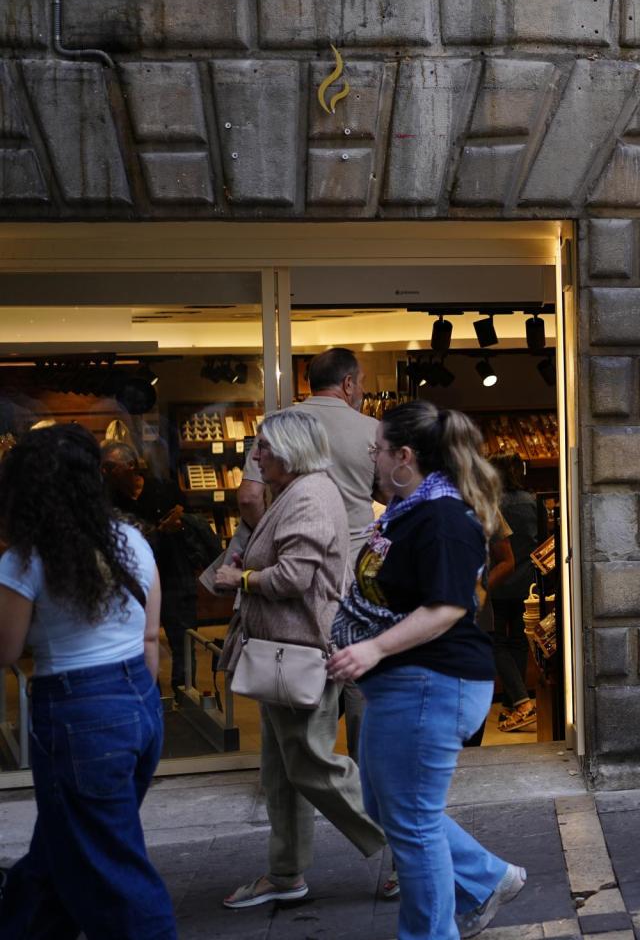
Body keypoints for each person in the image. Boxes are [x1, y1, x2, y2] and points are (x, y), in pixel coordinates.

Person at [324, 401, 527, 938]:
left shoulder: (442, 519)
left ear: (404, 456)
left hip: (432, 682)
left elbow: (449, 606)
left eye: (378, 449)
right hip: (407, 682)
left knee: (412, 824)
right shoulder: (410, 508)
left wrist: (372, 649)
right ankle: (489, 878)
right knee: (388, 805)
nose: (373, 457)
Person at [0, 425, 176, 939]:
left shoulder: (24, 560)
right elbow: (150, 640)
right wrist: (137, 708)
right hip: (137, 705)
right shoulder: (132, 541)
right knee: (63, 847)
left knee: (110, 868)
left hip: (79, 716)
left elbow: (6, 650)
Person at [213, 408, 390, 910]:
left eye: (263, 448)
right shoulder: (297, 492)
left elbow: (294, 577)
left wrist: (241, 579)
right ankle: (285, 872)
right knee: (281, 770)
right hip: (283, 653)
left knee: (313, 764)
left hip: (300, 651)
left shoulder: (309, 495)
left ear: (289, 451)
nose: (256, 456)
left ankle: (412, 848)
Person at [241, 347, 383, 760]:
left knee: (299, 665)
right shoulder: (371, 429)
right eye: (362, 383)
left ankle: (301, 763)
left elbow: (250, 496)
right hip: (355, 569)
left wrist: (272, 540)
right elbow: (389, 495)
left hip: (293, 572)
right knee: (358, 674)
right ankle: (361, 769)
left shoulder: (278, 428)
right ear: (349, 383)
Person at [102, 440, 209, 703]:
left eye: (109, 467)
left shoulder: (164, 489)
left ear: (130, 466)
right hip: (133, 582)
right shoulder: (107, 499)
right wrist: (159, 531)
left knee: (182, 640)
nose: (104, 472)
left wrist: (180, 524)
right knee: (137, 642)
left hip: (174, 574)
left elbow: (189, 521)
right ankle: (149, 698)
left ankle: (185, 699)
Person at [488, 455, 546, 733]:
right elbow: (544, 538)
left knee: (496, 641)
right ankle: (515, 703)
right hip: (526, 581)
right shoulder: (532, 500)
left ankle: (519, 701)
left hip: (497, 580)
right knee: (519, 642)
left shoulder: (489, 504)